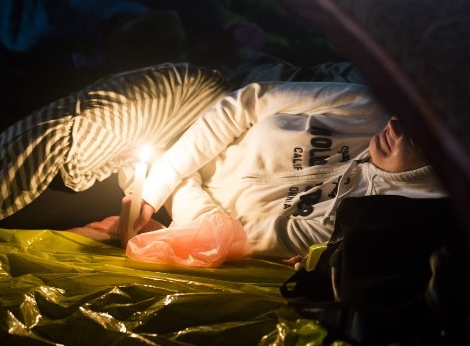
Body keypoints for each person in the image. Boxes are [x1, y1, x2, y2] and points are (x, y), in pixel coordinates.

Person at [119, 80, 447, 259]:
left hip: (176, 203)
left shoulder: (362, 221)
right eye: (410, 114)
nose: (395, 124)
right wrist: (159, 182)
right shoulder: (365, 107)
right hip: (189, 123)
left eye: (416, 137)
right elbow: (243, 104)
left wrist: (168, 188)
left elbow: (228, 235)